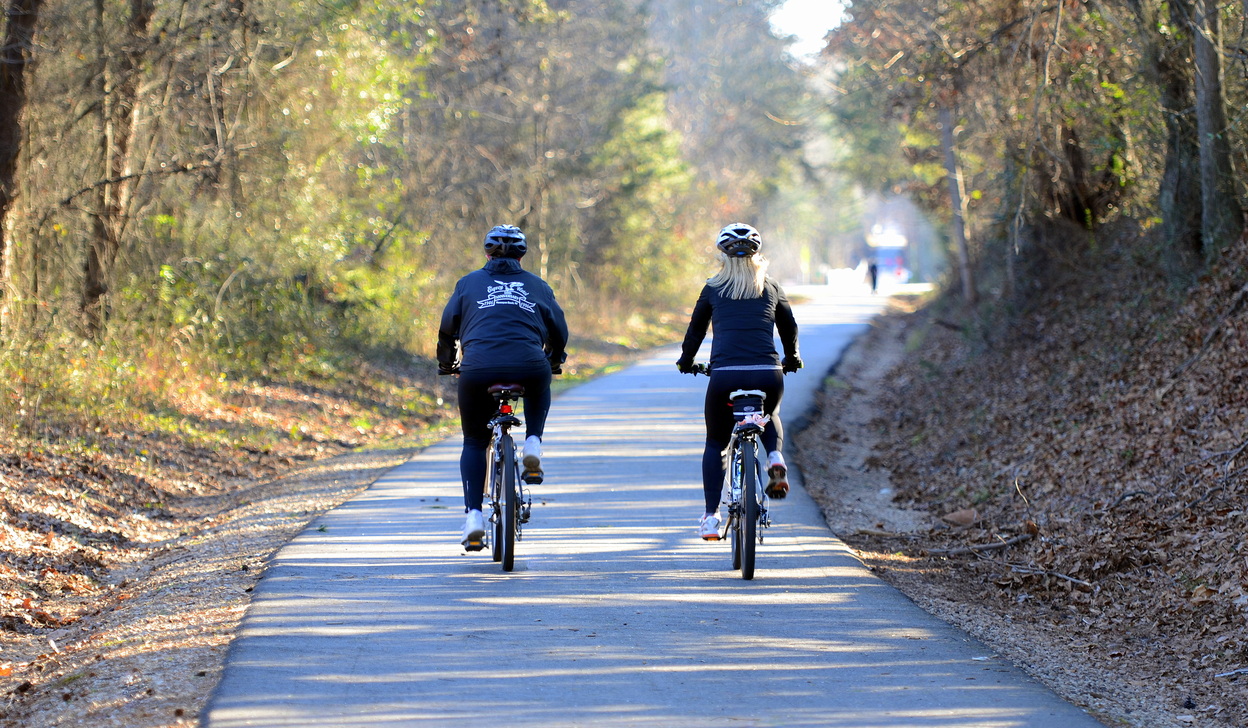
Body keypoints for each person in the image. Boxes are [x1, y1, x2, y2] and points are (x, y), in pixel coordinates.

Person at [437, 225, 568, 549]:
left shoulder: (467, 284)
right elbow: (559, 329)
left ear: (486, 252)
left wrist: (446, 363)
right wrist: (554, 359)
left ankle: (473, 518)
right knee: (540, 381)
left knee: (474, 440)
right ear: (522, 254)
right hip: (528, 364)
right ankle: (533, 443)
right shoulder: (538, 285)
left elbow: (447, 328)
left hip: (478, 369)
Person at [677, 223, 802, 540]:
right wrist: (793, 358)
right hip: (767, 373)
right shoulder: (771, 287)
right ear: (757, 255)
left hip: (724, 377)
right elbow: (789, 328)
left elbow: (695, 332)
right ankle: (774, 457)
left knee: (715, 443)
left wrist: (686, 361)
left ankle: (710, 517)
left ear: (723, 256)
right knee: (768, 414)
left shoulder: (713, 288)